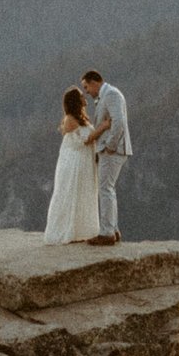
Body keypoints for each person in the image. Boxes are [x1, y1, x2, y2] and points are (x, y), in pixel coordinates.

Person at [43, 87, 104, 244]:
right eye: (82, 96)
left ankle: (81, 230)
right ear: (75, 101)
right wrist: (104, 126)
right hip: (74, 163)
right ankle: (67, 230)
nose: (85, 99)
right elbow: (87, 138)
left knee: (83, 194)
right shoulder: (70, 119)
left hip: (83, 162)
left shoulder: (80, 118)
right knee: (72, 193)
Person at [80, 68, 131, 245]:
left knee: (105, 189)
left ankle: (107, 232)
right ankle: (113, 229)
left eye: (87, 87)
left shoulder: (110, 94)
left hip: (113, 150)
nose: (86, 92)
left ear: (94, 82)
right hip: (113, 150)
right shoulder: (108, 95)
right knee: (108, 189)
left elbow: (118, 121)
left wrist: (110, 146)